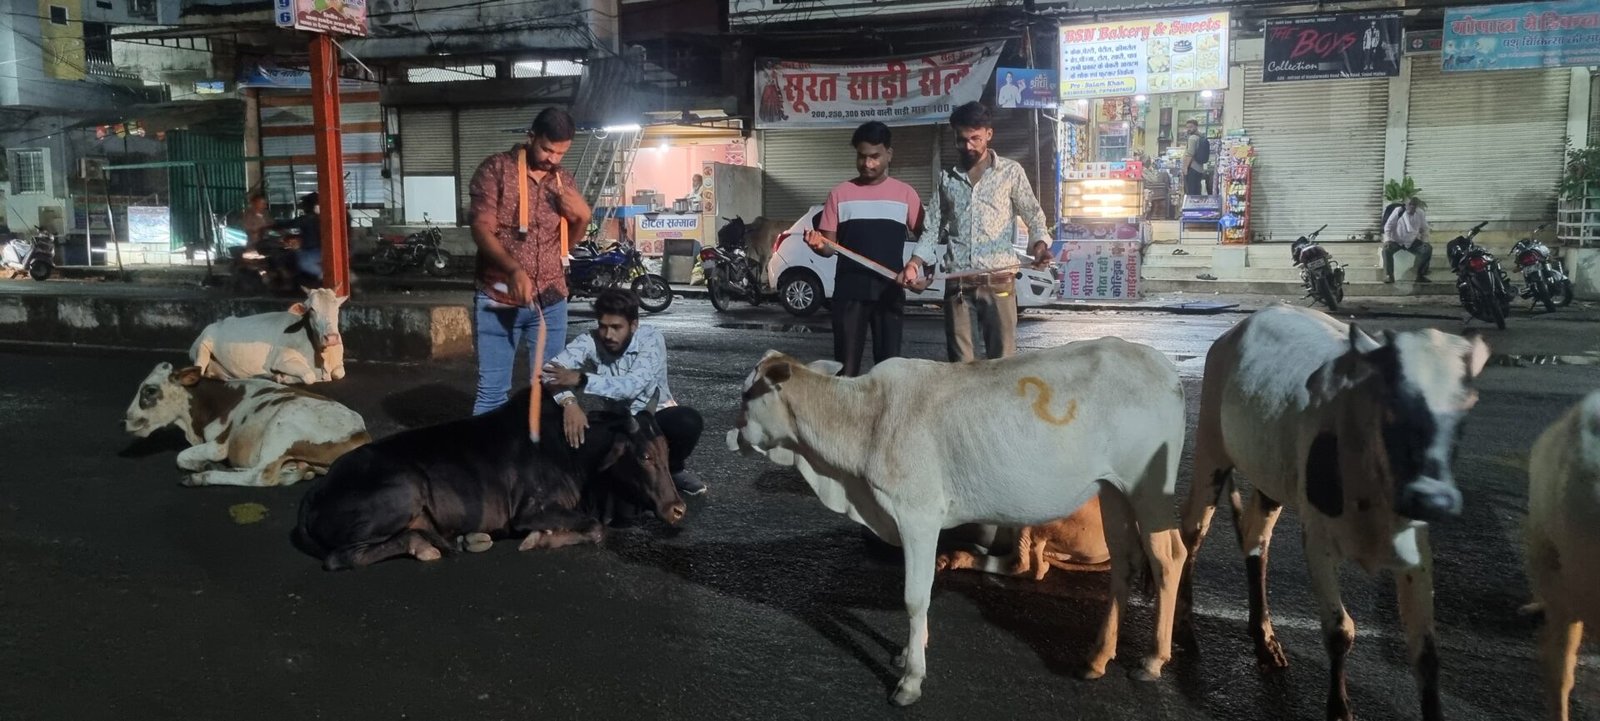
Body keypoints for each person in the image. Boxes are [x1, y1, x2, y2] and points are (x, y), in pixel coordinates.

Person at [897, 102, 1052, 362]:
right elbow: (932, 227)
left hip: (999, 281)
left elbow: (1034, 215)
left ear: (988, 134)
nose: (968, 146)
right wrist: (914, 263)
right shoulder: (947, 178)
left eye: (975, 138)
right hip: (957, 284)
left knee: (1002, 364)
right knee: (961, 366)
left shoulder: (1010, 172)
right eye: (961, 140)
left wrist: (1040, 246)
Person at [468, 106, 592, 416]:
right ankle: (488, 462)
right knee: (492, 393)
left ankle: (542, 461)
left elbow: (564, 244)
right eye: (548, 149)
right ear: (531, 136)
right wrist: (512, 269)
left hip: (551, 300)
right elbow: (481, 229)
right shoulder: (496, 170)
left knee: (553, 389)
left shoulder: (563, 181)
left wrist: (584, 217)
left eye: (561, 153)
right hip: (499, 298)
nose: (553, 159)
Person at [543, 288, 706, 497]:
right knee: (562, 425)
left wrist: (580, 378)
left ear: (633, 325)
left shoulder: (651, 338)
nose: (608, 335)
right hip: (619, 420)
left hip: (655, 418)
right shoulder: (590, 340)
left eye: (616, 327)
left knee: (687, 421)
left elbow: (630, 387)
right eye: (603, 327)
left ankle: (673, 469)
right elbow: (548, 371)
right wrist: (569, 403)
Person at [802, 121, 924, 377]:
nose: (867, 164)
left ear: (889, 154)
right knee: (845, 371)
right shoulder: (839, 194)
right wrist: (817, 246)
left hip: (890, 291)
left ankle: (885, 418)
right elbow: (828, 248)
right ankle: (846, 417)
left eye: (875, 157)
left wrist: (918, 268)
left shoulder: (906, 194)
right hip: (849, 293)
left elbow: (927, 239)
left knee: (888, 373)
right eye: (862, 156)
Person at [1382, 197, 1433, 284]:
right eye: (1410, 205)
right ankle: (1389, 276)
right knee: (1386, 250)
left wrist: (1424, 241)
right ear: (1406, 205)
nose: (1412, 207)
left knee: (1427, 249)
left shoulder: (1420, 213)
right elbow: (1388, 226)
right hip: (1397, 240)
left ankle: (1420, 275)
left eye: (1414, 205)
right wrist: (1387, 240)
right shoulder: (1398, 211)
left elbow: (1425, 228)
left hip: (1412, 241)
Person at [1182, 120, 1210, 196]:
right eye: (1187, 127)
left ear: (1196, 127)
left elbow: (1190, 153)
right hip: (1199, 168)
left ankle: (1191, 207)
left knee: (1191, 192)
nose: (1188, 129)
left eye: (1191, 127)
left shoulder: (1192, 138)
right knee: (1197, 191)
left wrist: (1185, 168)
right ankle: (1197, 206)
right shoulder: (1201, 136)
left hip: (1192, 168)